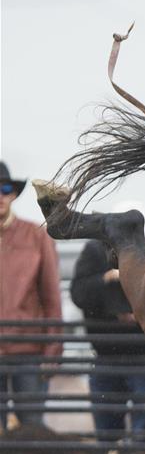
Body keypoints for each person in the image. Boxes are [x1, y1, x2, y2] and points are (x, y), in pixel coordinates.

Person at [71, 213, 145, 440]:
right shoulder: (95, 252)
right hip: (114, 353)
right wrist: (106, 279)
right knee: (110, 428)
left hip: (141, 354)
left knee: (139, 429)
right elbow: (79, 294)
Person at [0, 160, 63, 429]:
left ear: (13, 194)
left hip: (30, 350)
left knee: (32, 429)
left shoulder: (37, 236)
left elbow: (52, 297)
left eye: (4, 188)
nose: (0, 196)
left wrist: (52, 351)